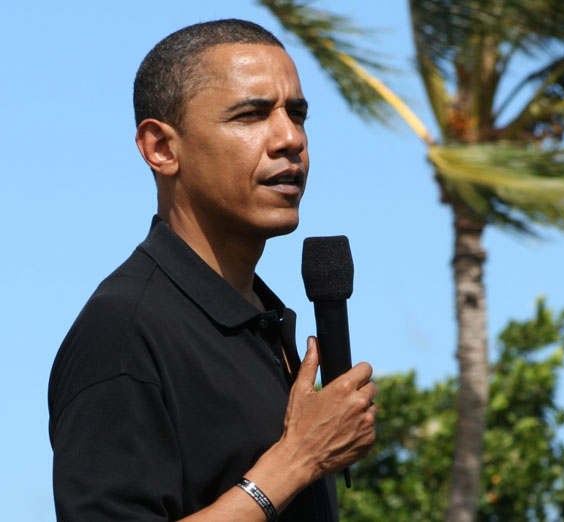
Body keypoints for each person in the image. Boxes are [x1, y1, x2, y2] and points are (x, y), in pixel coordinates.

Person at [48, 19, 377, 522]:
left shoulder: (261, 320)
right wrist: (295, 462)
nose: (290, 138)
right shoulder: (124, 330)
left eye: (298, 114)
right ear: (161, 148)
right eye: (251, 115)